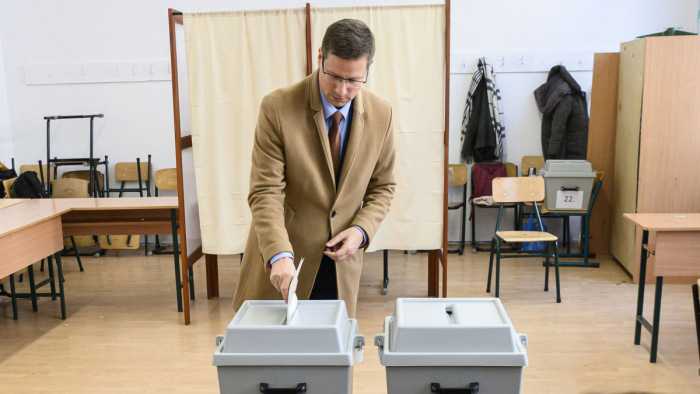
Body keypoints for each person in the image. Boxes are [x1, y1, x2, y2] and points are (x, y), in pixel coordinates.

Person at [232, 19, 396, 317]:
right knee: (272, 359)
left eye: (354, 80)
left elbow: (383, 187)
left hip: (341, 266)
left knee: (332, 357)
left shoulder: (382, 113)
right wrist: (278, 254)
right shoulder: (278, 107)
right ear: (320, 56)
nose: (342, 90)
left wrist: (361, 230)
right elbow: (265, 192)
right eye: (333, 76)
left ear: (369, 67)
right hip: (284, 261)